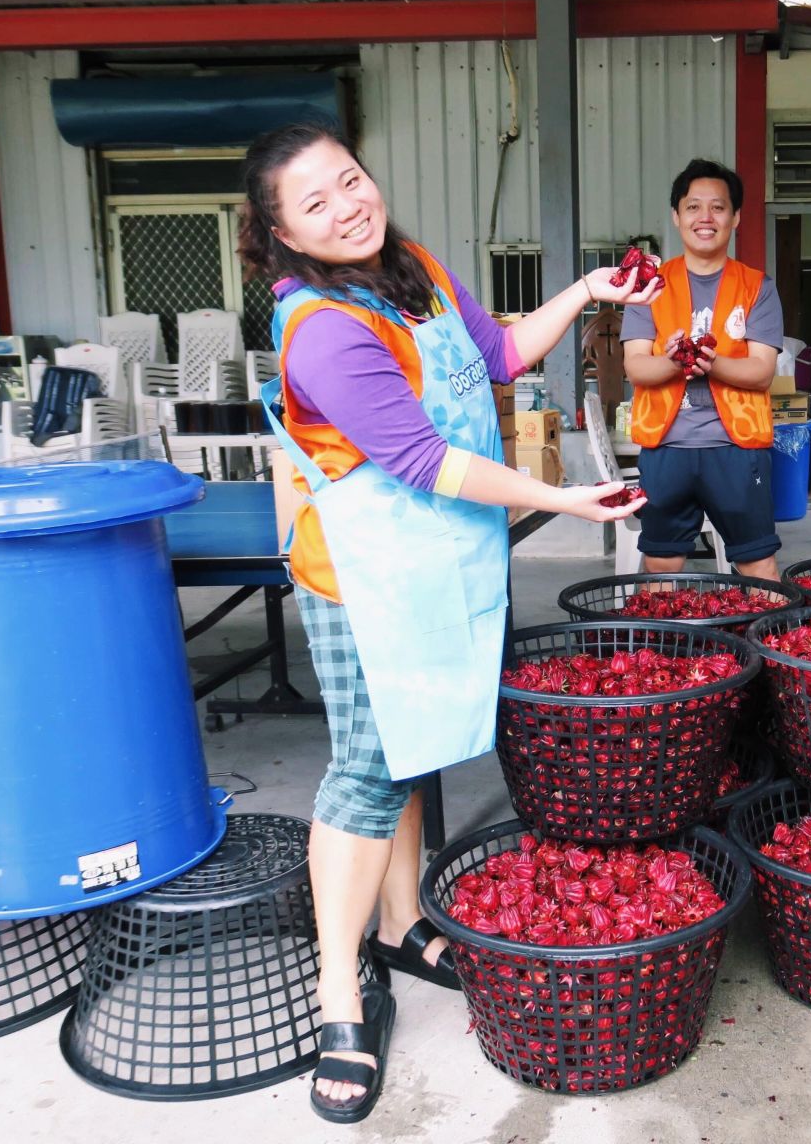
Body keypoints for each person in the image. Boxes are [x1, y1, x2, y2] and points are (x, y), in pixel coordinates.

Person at [238, 121, 653, 1123]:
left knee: (418, 746)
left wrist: (588, 293)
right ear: (282, 235)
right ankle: (340, 994)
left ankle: (402, 920)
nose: (347, 207)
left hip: (444, 557)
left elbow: (499, 351)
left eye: (350, 180)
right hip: (367, 575)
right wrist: (558, 499)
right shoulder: (325, 327)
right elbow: (422, 460)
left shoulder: (410, 266)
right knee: (368, 768)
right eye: (316, 203)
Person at [621, 158, 784, 581]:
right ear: (676, 216)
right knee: (661, 562)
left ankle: (760, 646)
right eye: (693, 207)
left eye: (718, 207)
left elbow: (762, 371)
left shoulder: (758, 287)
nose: (705, 218)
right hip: (666, 448)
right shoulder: (650, 286)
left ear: (736, 217)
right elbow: (636, 366)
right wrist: (674, 361)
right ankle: (661, 646)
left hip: (738, 450)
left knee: (756, 560)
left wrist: (712, 364)